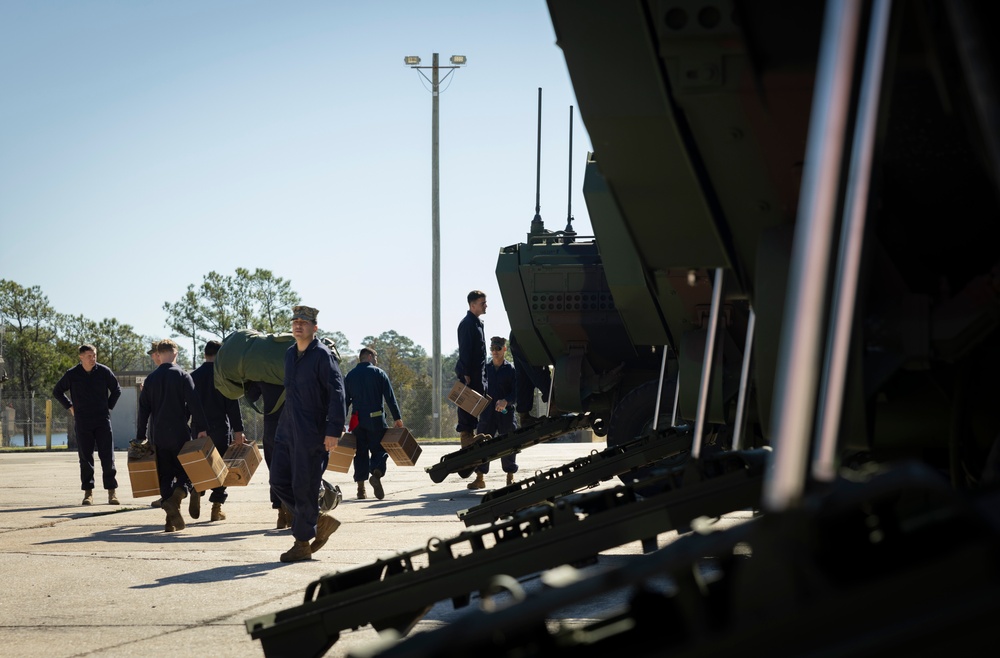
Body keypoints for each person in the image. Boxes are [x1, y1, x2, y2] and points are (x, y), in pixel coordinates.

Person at [269, 305, 346, 563]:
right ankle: (317, 520)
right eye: (295, 321)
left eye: (304, 322)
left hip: (312, 433)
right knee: (278, 481)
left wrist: (334, 430)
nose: (298, 325)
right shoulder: (290, 354)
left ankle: (302, 543)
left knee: (304, 486)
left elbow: (337, 393)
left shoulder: (323, 356)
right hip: (287, 430)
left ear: (314, 327)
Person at [135, 339, 209, 533]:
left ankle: (170, 520)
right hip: (179, 433)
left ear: (159, 354)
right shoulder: (183, 375)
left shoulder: (150, 379)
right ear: (174, 353)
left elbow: (143, 410)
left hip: (158, 434)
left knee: (165, 475)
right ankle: (178, 495)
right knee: (186, 472)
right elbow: (194, 403)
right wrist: (201, 427)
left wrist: (140, 436)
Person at [53, 344, 123, 505]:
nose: (93, 359)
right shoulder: (72, 374)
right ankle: (88, 493)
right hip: (83, 420)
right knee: (85, 457)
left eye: (95, 355)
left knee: (107, 456)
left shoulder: (104, 372)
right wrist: (70, 407)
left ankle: (112, 492)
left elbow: (116, 390)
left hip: (102, 420)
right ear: (81, 357)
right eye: (89, 356)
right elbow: (57, 391)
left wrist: (108, 407)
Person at [190, 339, 246, 522]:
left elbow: (187, 405)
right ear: (220, 355)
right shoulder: (224, 376)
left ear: (205, 354)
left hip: (198, 429)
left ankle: (198, 489)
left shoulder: (193, 376)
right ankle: (216, 507)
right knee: (221, 469)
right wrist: (238, 430)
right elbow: (232, 405)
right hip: (220, 428)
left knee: (201, 465)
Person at [344, 346, 403, 500]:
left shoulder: (350, 375)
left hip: (356, 420)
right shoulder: (378, 373)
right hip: (376, 419)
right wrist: (397, 418)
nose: (377, 361)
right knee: (379, 449)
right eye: (376, 357)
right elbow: (390, 397)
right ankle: (376, 472)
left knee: (360, 453)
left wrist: (339, 421)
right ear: (369, 356)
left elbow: (344, 401)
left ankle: (361, 489)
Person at [468, 336, 519, 490]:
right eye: (492, 349)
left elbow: (517, 393)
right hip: (486, 414)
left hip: (506, 414)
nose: (494, 352)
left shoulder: (511, 370)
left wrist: (506, 401)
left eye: (497, 348)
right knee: (482, 444)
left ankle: (510, 476)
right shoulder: (485, 369)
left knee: (508, 444)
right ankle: (480, 478)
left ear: (504, 349)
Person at [245, 380, 289, 528]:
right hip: (296, 426)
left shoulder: (263, 371)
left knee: (275, 470)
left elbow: (251, 396)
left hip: (272, 428)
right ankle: (292, 509)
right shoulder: (299, 366)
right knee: (295, 469)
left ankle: (281, 513)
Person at [455, 290, 488, 449]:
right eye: (482, 303)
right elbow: (465, 350)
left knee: (475, 402)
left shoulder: (477, 323)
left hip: (478, 372)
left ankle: (471, 434)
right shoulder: (468, 323)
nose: (485, 305)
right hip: (470, 372)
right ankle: (466, 437)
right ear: (473, 305)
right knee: (467, 402)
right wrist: (466, 373)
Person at [509, 331, 551, 428]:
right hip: (530, 332)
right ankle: (553, 400)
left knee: (524, 376)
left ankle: (524, 415)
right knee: (536, 367)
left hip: (519, 331)